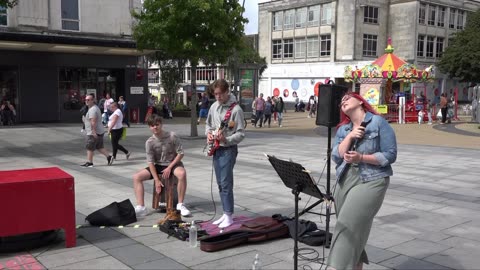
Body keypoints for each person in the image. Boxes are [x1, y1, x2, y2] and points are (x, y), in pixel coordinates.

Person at [327, 92, 397, 270]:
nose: (343, 100)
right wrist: (350, 136)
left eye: (347, 97)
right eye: (341, 100)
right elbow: (336, 156)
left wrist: (361, 157)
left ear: (360, 101)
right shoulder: (343, 129)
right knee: (354, 230)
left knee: (346, 224)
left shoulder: (378, 122)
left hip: (372, 179)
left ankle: (335, 267)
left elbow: (390, 154)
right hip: (345, 178)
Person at [132, 114, 191, 217]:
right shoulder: (149, 142)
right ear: (149, 127)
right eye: (152, 125)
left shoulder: (172, 136)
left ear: (161, 124)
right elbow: (150, 162)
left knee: (182, 174)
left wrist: (169, 167)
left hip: (173, 164)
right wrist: (157, 180)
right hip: (158, 165)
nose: (155, 127)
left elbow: (180, 153)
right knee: (137, 177)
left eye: (157, 124)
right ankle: (141, 207)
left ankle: (180, 204)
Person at [206, 79, 245, 228]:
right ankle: (225, 212)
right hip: (216, 148)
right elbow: (208, 125)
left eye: (220, 94)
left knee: (226, 182)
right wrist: (209, 134)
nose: (218, 97)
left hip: (228, 149)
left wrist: (227, 139)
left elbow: (241, 133)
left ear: (227, 91)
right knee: (220, 183)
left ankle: (229, 214)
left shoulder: (236, 110)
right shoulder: (214, 107)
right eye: (215, 94)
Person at [80, 94, 114, 167]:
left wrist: (93, 132)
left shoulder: (93, 109)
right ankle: (109, 157)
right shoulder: (93, 108)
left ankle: (89, 162)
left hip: (93, 132)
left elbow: (93, 121)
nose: (86, 101)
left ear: (93, 100)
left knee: (89, 147)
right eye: (85, 100)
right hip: (99, 131)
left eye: (88, 100)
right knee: (99, 147)